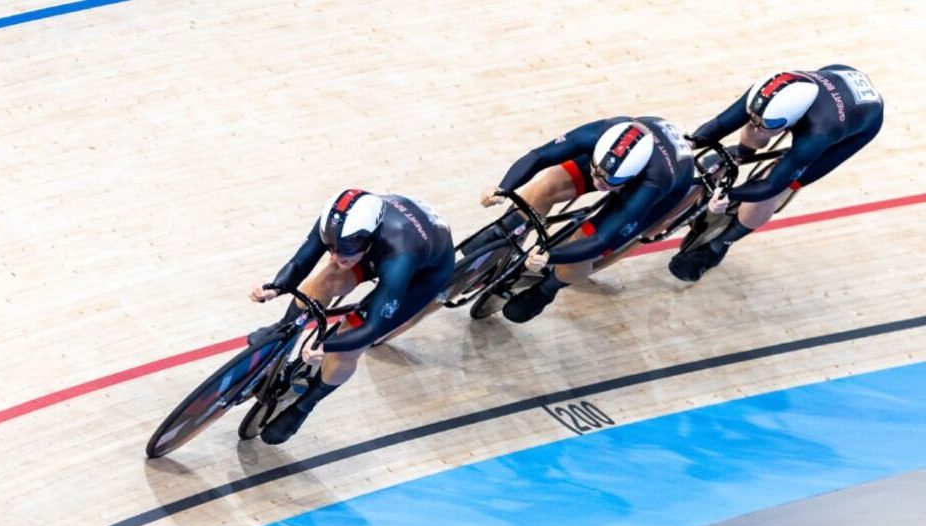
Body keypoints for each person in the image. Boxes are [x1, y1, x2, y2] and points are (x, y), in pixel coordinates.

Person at [248, 189, 454, 444]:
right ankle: (283, 331)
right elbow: (300, 263)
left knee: (347, 347)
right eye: (331, 248)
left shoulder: (400, 254)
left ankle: (304, 406)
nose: (335, 256)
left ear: (369, 237)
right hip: (381, 246)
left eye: (344, 249)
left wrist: (327, 345)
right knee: (326, 280)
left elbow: (371, 328)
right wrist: (275, 287)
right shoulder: (336, 224)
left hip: (421, 274)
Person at [669, 65, 884, 281]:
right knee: (754, 130)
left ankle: (720, 243)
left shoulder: (820, 132)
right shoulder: (767, 90)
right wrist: (691, 142)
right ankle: (741, 154)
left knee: (778, 187)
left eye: (770, 123)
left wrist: (730, 194)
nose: (761, 124)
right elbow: (721, 123)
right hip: (835, 78)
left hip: (858, 125)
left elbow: (771, 186)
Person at [478, 116, 695, 322]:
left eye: (608, 180)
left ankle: (547, 289)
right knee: (547, 186)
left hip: (658, 189)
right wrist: (503, 187)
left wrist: (549, 256)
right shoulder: (601, 132)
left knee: (583, 241)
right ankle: (507, 233)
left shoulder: (654, 182)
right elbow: (539, 156)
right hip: (616, 165)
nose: (598, 182)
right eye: (596, 173)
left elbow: (599, 241)